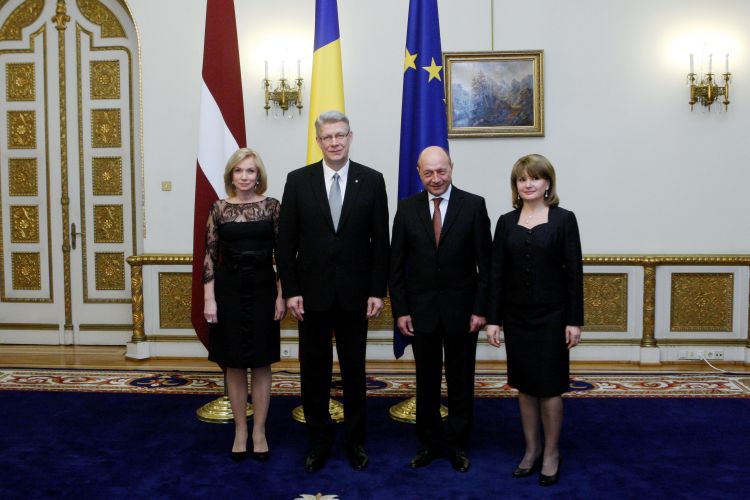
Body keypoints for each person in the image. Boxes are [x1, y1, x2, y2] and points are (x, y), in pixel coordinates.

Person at [276, 110, 390, 472]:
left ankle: (355, 443)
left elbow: (380, 242)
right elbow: (285, 243)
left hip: (357, 296)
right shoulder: (298, 181)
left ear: (350, 137)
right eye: (327, 137)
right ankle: (319, 441)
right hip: (311, 297)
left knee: (355, 373)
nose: (334, 142)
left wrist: (377, 291)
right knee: (315, 374)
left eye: (340, 135)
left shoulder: (372, 180)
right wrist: (291, 290)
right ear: (318, 141)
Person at [389, 146, 492, 473]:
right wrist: (401, 311)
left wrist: (481, 310)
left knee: (461, 381)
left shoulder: (473, 206)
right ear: (419, 173)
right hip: (420, 313)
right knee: (426, 381)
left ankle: (458, 443)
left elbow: (486, 266)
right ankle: (430, 443)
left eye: (441, 171)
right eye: (428, 172)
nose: (435, 178)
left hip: (464, 313)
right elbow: (396, 266)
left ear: (451, 168)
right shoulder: (406, 209)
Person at [485, 153, 583, 486]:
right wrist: (493, 320)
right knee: (525, 387)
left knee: (550, 388)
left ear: (548, 183)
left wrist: (574, 321)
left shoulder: (564, 220)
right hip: (516, 318)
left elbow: (574, 274)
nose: (528, 184)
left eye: (535, 178)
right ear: (515, 185)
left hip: (554, 318)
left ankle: (552, 453)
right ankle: (531, 449)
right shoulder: (505, 222)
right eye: (522, 179)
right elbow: (496, 274)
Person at [203, 148, 285, 463]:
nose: (245, 176)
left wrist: (281, 295)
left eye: (250, 170)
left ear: (258, 175)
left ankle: (259, 431)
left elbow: (283, 255)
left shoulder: (272, 207)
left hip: (264, 288)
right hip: (229, 290)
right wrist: (209, 298)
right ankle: (240, 430)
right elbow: (209, 256)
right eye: (239, 171)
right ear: (231, 176)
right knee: (234, 363)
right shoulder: (219, 208)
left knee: (262, 363)